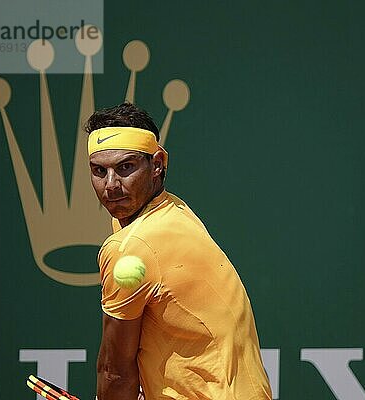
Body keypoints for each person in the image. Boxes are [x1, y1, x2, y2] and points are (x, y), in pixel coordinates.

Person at [85, 102, 272, 400]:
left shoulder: (131, 247)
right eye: (99, 171)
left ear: (157, 164)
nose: (111, 185)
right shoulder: (174, 211)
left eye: (125, 167)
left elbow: (115, 371)